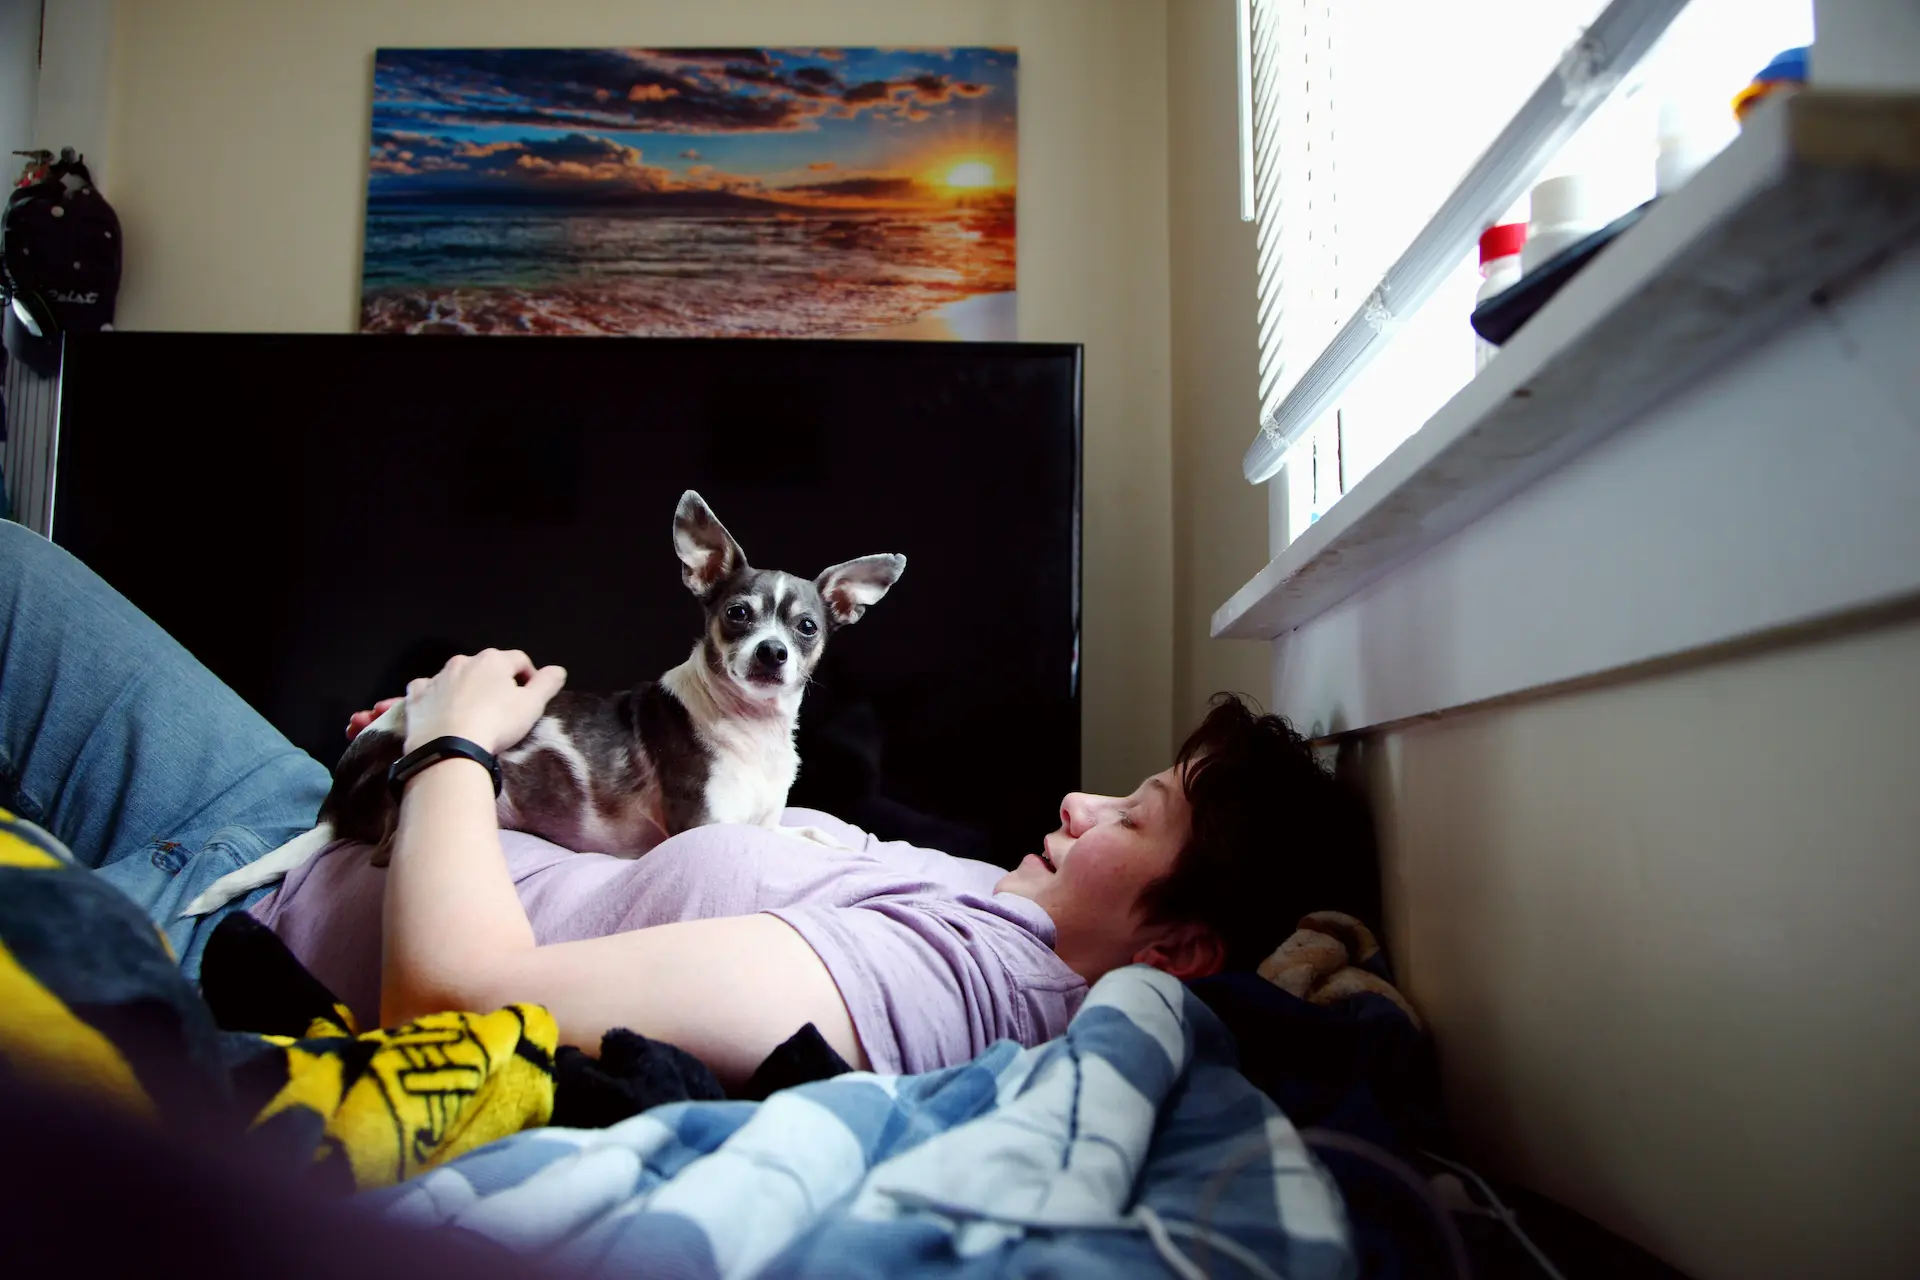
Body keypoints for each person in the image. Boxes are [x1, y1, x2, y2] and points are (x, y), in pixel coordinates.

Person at [0, 520, 1377, 1089]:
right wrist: (428, 740)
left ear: (1179, 948)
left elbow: (460, 998)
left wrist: (454, 748)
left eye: (1131, 817)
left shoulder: (942, 979)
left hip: (226, 917)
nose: (1079, 804)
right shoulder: (972, 891)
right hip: (299, 812)